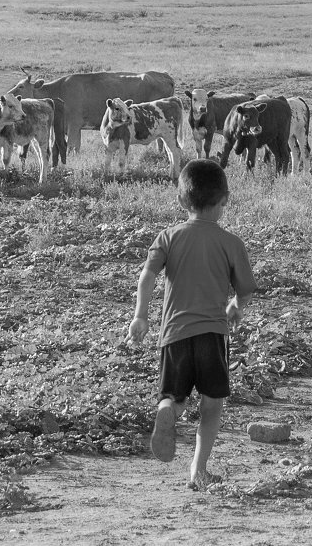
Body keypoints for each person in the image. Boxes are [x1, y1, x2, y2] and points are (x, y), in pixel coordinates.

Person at [127, 158, 257, 490]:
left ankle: (168, 407)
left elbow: (147, 276)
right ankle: (198, 470)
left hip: (173, 335)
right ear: (225, 199)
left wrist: (140, 316)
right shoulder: (231, 243)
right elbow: (244, 293)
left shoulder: (168, 236)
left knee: (174, 393)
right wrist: (235, 307)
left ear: (181, 201)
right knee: (212, 403)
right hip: (212, 335)